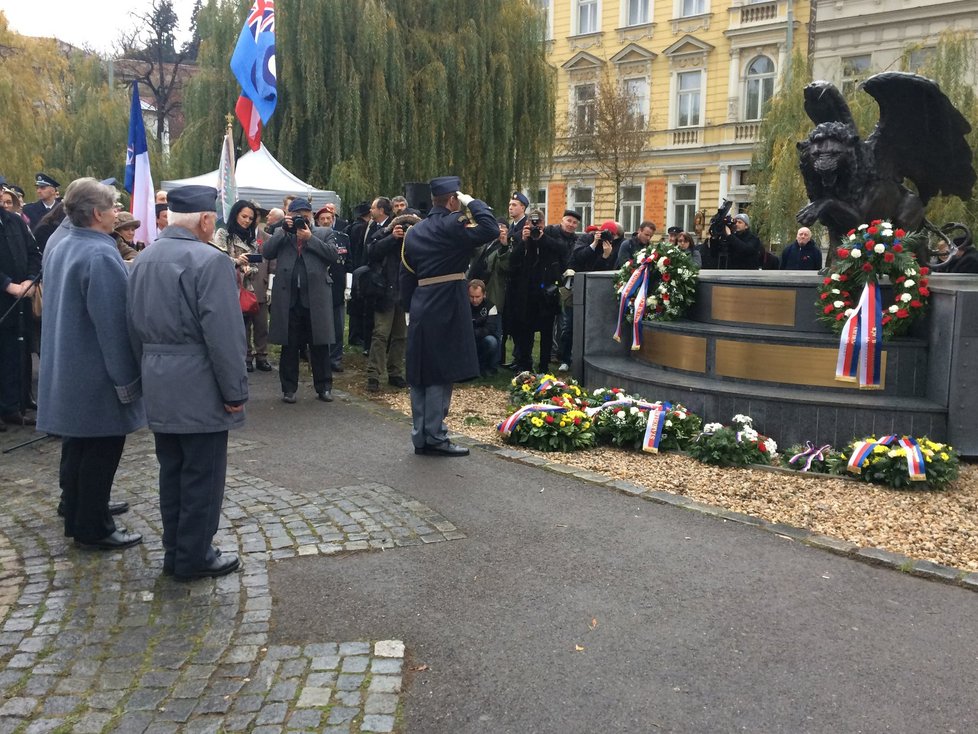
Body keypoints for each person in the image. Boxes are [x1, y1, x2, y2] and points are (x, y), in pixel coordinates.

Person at [128, 184, 247, 579]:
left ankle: (176, 550)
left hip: (158, 378)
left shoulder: (144, 258)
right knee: (203, 475)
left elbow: (130, 326)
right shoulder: (209, 261)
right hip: (199, 383)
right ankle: (194, 556)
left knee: (172, 471)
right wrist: (234, 392)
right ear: (207, 220)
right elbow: (225, 335)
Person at [37, 178, 144, 549]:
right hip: (95, 372)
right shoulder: (101, 254)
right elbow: (113, 327)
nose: (118, 212)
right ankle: (93, 526)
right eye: (113, 207)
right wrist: (128, 383)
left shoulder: (61, 243)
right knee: (101, 450)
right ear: (97, 213)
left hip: (68, 364)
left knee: (78, 446)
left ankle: (81, 511)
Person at [399, 176, 498, 456]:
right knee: (441, 373)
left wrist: (410, 308)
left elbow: (405, 275)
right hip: (447, 304)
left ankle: (420, 436)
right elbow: (490, 228)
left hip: (420, 304)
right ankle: (436, 436)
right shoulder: (453, 225)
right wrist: (472, 202)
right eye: (458, 199)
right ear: (453, 200)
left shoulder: (413, 232)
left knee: (420, 372)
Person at [263, 198, 340, 403]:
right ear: (290, 215)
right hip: (290, 298)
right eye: (298, 215)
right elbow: (267, 252)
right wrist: (283, 230)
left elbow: (333, 255)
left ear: (311, 216)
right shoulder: (283, 234)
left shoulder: (323, 233)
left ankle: (324, 387)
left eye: (305, 215)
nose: (302, 219)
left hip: (315, 298)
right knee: (290, 346)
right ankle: (289, 389)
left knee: (320, 345)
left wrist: (309, 238)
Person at [511, 208, 574, 373]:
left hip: (547, 293)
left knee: (546, 332)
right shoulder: (520, 237)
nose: (534, 227)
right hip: (526, 293)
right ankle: (525, 364)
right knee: (526, 331)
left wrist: (542, 237)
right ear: (526, 223)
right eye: (532, 223)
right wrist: (524, 241)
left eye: (538, 223)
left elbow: (563, 250)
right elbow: (512, 261)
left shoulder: (550, 238)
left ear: (543, 224)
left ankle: (544, 366)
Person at [0, 198, 42, 430]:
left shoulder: (14, 221)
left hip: (19, 302)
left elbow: (34, 253)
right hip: (6, 295)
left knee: (13, 356)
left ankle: (11, 407)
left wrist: (30, 279)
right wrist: (7, 285)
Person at [214, 200, 269, 372]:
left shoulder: (251, 240)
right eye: (244, 216)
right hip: (228, 286)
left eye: (250, 218)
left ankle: (253, 356)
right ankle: (240, 357)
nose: (246, 221)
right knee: (235, 326)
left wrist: (248, 268)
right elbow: (217, 258)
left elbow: (255, 266)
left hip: (246, 287)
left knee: (252, 323)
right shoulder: (224, 233)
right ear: (236, 214)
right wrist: (237, 261)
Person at [365, 212, 416, 391]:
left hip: (404, 293)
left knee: (400, 336)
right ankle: (373, 375)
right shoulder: (384, 233)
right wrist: (392, 238)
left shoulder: (415, 238)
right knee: (380, 334)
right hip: (385, 292)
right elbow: (372, 251)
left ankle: (395, 372)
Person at [468, 279, 500, 376]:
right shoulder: (463, 306)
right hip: (465, 340)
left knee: (492, 341)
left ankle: (488, 367)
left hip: (482, 339)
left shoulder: (491, 307)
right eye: (471, 296)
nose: (474, 300)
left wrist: (473, 333)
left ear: (484, 294)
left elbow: (490, 328)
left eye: (478, 297)